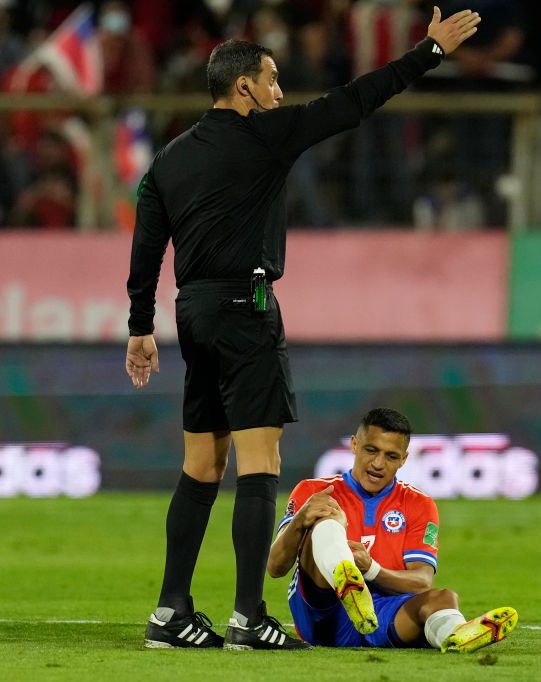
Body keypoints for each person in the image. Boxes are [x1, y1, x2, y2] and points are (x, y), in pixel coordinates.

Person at [126, 7, 481, 650]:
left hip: (192, 312)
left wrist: (138, 325)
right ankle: (247, 617)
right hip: (247, 310)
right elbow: (354, 102)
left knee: (201, 464)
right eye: (271, 79)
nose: (280, 92)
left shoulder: (169, 159)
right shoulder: (266, 136)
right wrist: (428, 51)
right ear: (244, 89)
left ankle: (171, 612)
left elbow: (147, 244)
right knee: (261, 465)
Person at [266, 407, 518, 652]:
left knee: (442, 598)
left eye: (391, 456)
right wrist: (300, 521)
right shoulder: (314, 491)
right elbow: (275, 568)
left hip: (383, 612)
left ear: (404, 459)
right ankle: (346, 582)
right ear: (354, 445)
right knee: (326, 518)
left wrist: (370, 570)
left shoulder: (419, 504)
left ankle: (456, 635)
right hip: (325, 614)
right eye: (371, 450)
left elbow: (421, 581)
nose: (378, 463)